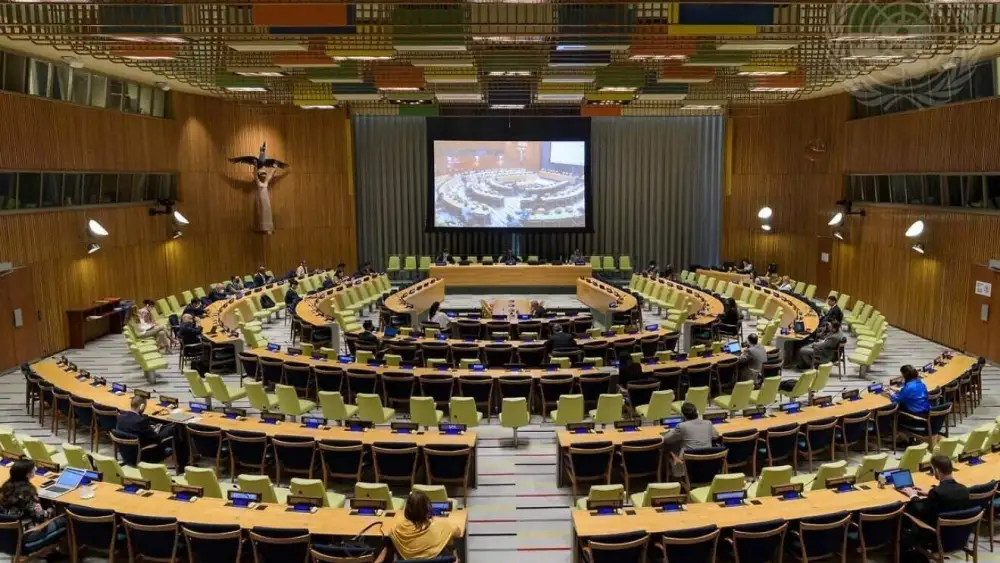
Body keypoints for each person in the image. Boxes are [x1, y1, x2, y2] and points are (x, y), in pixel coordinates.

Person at [0, 460, 66, 547]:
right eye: (33, 468)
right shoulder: (28, 492)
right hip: (27, 534)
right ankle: (63, 550)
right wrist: (52, 510)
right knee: (65, 520)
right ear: (27, 474)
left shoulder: (6, 486)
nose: (35, 469)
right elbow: (41, 516)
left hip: (8, 534)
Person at [386, 491, 461, 560]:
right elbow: (458, 532)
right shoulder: (442, 527)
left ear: (407, 509)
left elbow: (390, 533)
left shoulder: (396, 530)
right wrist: (437, 521)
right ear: (428, 509)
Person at [902, 455, 971, 526]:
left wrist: (913, 495)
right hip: (959, 530)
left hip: (936, 531)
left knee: (907, 509)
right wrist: (928, 493)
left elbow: (921, 511)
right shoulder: (964, 489)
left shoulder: (936, 492)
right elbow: (946, 494)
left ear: (937, 471)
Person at [662, 402, 720, 474]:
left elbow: (667, 440)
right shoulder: (708, 423)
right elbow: (716, 436)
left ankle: (672, 475)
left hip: (689, 466)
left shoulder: (681, 426)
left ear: (683, 415)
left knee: (669, 449)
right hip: (709, 465)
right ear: (697, 412)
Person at [116, 395, 174, 463]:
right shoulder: (140, 422)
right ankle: (182, 461)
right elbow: (156, 438)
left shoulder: (120, 418)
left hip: (126, 455)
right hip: (144, 455)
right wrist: (154, 430)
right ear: (142, 406)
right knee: (172, 429)